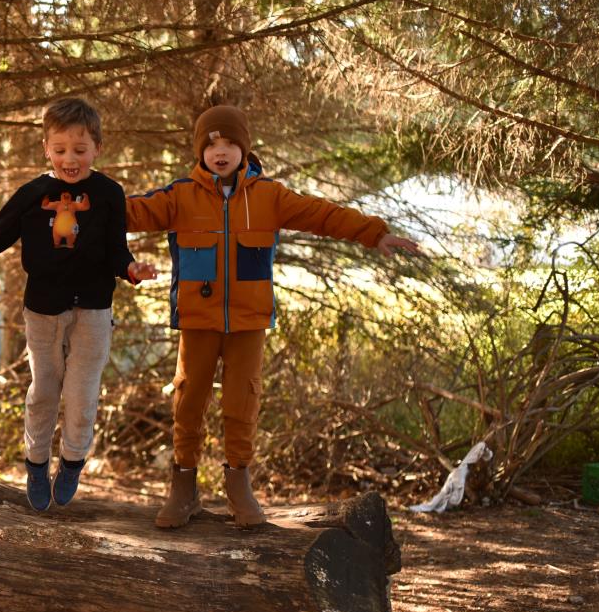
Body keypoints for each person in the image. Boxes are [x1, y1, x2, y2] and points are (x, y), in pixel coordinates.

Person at [127, 104, 422, 529]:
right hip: (198, 319)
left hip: (249, 320)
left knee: (242, 401)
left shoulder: (269, 196)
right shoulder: (179, 196)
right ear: (200, 152)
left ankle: (238, 484)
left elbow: (323, 214)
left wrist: (374, 233)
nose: (221, 152)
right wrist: (81, 205)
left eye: (230, 143)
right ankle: (183, 485)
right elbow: (130, 211)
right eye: (212, 145)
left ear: (243, 148)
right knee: (188, 398)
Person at [0, 97, 155, 511]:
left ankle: (71, 461)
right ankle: (36, 461)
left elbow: (117, 251)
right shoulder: (33, 194)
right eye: (61, 149)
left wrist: (132, 269)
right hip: (44, 310)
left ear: (97, 148)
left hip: (94, 310)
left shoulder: (108, 194)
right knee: (44, 391)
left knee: (82, 396)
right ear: (46, 148)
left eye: (80, 151)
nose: (71, 159)